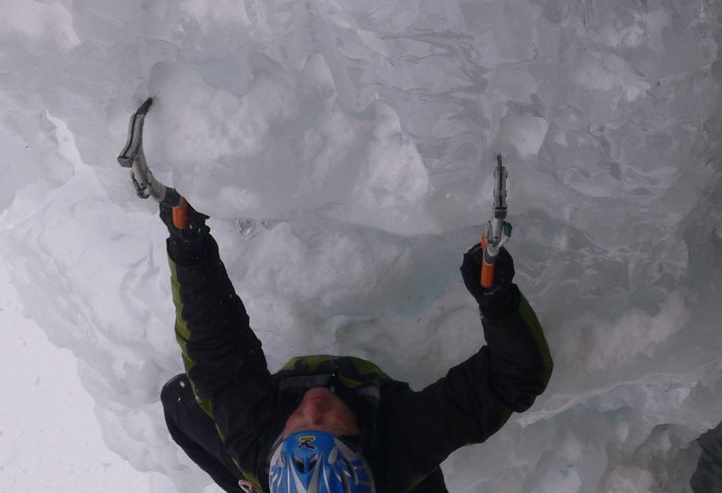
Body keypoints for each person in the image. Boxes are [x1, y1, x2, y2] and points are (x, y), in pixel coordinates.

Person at [158, 201, 553, 493]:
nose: (313, 406)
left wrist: (189, 249)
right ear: (361, 441)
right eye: (330, 425)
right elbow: (514, 379)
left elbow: (218, 352)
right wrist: (499, 305)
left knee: (179, 403)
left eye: (299, 426)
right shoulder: (400, 445)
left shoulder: (255, 440)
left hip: (262, 468)